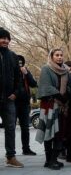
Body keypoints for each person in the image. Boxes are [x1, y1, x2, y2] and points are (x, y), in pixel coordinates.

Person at [35, 49, 71, 170]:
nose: (60, 57)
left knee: (59, 134)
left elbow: (69, 86)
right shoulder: (46, 68)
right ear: (52, 56)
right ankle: (49, 160)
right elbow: (46, 87)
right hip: (49, 105)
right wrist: (60, 96)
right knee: (49, 132)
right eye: (57, 55)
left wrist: (67, 96)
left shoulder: (66, 70)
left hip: (62, 107)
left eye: (61, 55)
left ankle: (53, 159)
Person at [0, 28, 23, 168]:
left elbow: (19, 78)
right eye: (3, 38)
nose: (6, 41)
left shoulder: (13, 56)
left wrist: (16, 93)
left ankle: (11, 157)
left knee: (10, 127)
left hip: (9, 99)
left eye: (7, 38)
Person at [15, 55, 38, 156]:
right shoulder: (11, 72)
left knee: (25, 128)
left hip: (24, 104)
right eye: (18, 62)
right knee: (10, 128)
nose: (20, 64)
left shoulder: (26, 72)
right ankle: (10, 153)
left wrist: (26, 73)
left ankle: (26, 149)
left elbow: (33, 84)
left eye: (21, 62)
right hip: (13, 103)